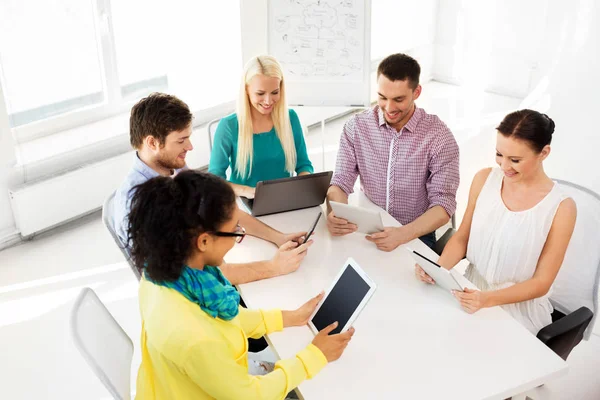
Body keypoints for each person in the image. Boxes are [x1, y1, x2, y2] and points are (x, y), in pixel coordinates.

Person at [129, 170, 355, 399]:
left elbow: (223, 320)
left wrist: (290, 317)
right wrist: (315, 355)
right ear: (204, 241)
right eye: (235, 231)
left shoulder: (162, 276)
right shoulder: (194, 338)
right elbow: (251, 396)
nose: (239, 236)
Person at [113, 93, 312, 285]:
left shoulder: (172, 167)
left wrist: (278, 237)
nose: (190, 147)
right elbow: (204, 276)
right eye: (181, 140)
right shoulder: (139, 205)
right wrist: (273, 267)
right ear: (152, 143)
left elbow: (221, 209)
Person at [415, 110, 577, 335]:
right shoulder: (484, 179)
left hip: (516, 311)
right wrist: (439, 269)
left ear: (544, 153)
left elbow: (542, 283)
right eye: (499, 154)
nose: (504, 166)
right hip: (469, 291)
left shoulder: (562, 208)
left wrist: (488, 299)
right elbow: (461, 238)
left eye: (515, 160)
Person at [326, 53, 460, 251]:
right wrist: (337, 212)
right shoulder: (356, 127)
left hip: (415, 233)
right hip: (368, 229)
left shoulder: (439, 138)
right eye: (382, 97)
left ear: (417, 92)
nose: (389, 108)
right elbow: (340, 182)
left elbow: (443, 205)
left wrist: (402, 235)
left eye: (398, 99)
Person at [208, 55, 313, 199]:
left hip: (284, 200)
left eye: (275, 92)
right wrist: (248, 191)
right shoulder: (228, 126)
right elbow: (215, 180)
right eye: (260, 93)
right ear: (246, 90)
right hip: (244, 203)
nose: (268, 101)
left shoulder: (290, 118)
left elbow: (303, 164)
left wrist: (304, 182)